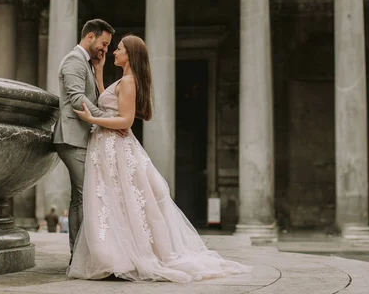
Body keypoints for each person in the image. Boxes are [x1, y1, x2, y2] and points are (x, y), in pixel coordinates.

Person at [68, 35, 252, 283]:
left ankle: (125, 256)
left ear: (130, 55)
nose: (114, 52)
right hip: (108, 146)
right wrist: (100, 75)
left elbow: (125, 121)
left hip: (115, 147)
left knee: (123, 199)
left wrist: (93, 120)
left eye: (119, 49)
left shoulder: (130, 82)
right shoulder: (124, 81)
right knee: (114, 201)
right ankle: (115, 257)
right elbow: (111, 103)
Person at [53, 19, 116, 261]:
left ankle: (80, 254)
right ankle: (78, 256)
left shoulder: (87, 64)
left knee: (80, 196)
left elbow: (96, 98)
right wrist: (105, 120)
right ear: (90, 36)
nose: (105, 50)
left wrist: (99, 70)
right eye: (104, 43)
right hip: (70, 138)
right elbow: (77, 96)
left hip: (79, 137)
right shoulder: (73, 60)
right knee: (83, 196)